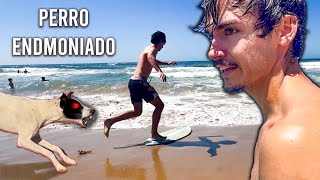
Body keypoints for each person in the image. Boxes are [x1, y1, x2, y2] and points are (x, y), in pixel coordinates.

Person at [196, 0, 318, 179]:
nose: (212, 53)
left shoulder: (291, 138)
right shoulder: (280, 120)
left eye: (230, 31)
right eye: (211, 36)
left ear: (285, 30)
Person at [104, 31, 177, 141]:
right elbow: (151, 58)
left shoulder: (148, 49)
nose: (164, 45)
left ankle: (110, 121)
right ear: (160, 41)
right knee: (160, 106)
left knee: (137, 112)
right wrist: (159, 71)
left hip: (133, 82)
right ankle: (154, 134)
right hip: (140, 83)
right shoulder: (153, 50)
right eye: (163, 42)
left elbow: (152, 59)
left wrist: (167, 63)